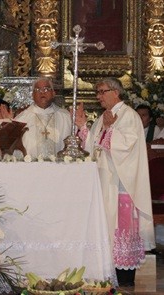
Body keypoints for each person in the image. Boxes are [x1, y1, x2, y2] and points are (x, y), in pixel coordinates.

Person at [75, 77, 155, 286]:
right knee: (106, 228)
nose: (98, 96)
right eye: (97, 92)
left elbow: (125, 147)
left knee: (121, 229)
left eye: (102, 91)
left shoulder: (129, 116)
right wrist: (84, 127)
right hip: (104, 181)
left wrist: (109, 130)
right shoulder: (105, 117)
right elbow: (92, 146)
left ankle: (124, 276)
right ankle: (105, 271)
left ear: (115, 92)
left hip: (121, 184)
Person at [14, 77, 72, 157]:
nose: (42, 93)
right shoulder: (21, 119)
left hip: (60, 167)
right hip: (30, 168)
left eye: (46, 89)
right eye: (38, 90)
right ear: (32, 95)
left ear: (53, 93)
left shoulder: (66, 117)